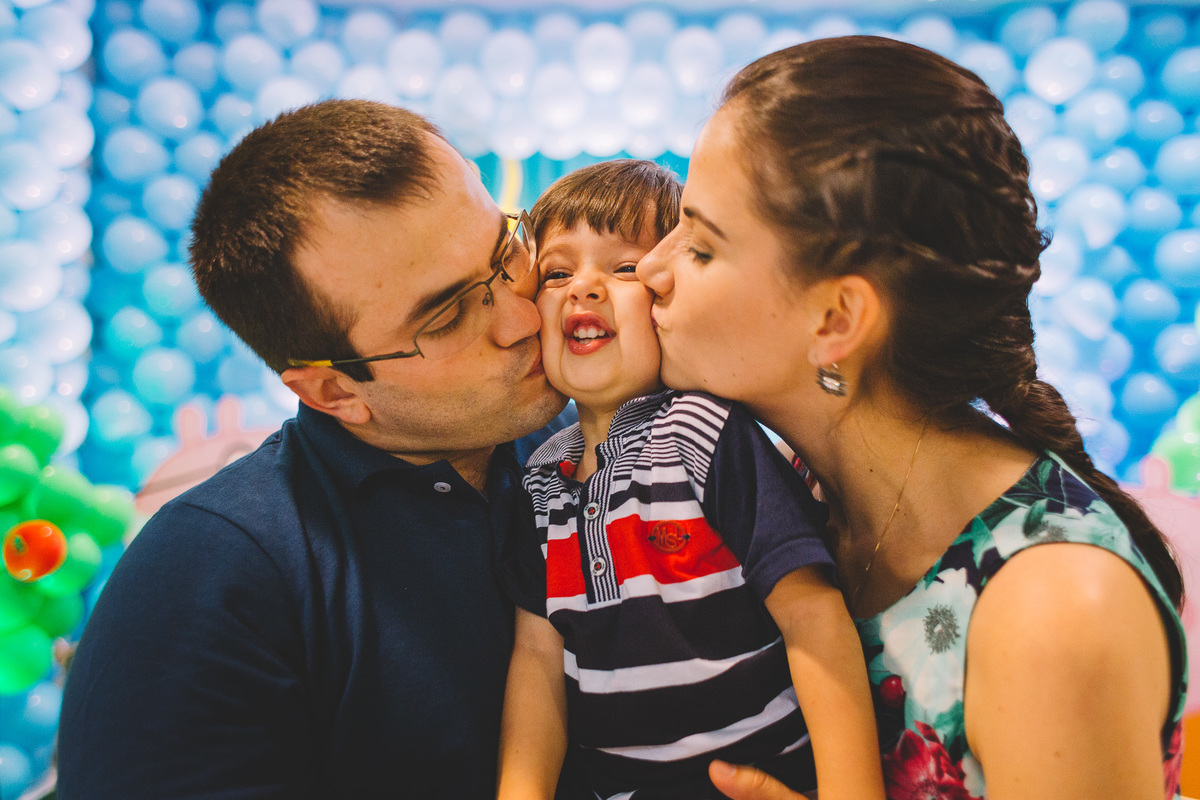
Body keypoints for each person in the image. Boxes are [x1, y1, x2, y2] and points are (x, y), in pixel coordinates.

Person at [635, 36, 1188, 800]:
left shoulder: (1054, 608)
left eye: (700, 246)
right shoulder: (792, 489)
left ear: (835, 317)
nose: (652, 271)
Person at [57, 100, 575, 798]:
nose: (521, 316)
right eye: (448, 316)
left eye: (506, 251)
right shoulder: (207, 578)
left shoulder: (599, 443)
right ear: (333, 391)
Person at [496, 160, 884, 800]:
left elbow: (813, 615)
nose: (583, 289)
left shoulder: (703, 431)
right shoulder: (539, 477)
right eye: (558, 273)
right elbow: (537, 660)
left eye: (624, 269)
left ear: (668, 295)